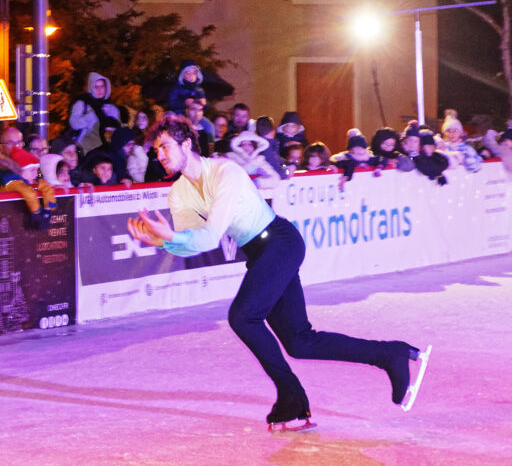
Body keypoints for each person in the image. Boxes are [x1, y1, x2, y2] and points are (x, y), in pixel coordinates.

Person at [126, 116, 427, 429]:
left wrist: (170, 237)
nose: (160, 154)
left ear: (186, 144)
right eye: (157, 149)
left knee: (243, 317)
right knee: (300, 343)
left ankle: (290, 395)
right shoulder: (179, 193)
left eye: (165, 146)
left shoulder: (225, 172)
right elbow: (194, 243)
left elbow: (210, 236)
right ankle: (390, 354)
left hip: (280, 242)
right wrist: (163, 242)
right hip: (261, 254)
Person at [68, 72, 121, 154]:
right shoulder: (82, 103)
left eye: (102, 86)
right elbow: (74, 124)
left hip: (106, 151)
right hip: (86, 150)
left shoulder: (112, 108)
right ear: (90, 88)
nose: (99, 89)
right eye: (96, 87)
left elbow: (118, 129)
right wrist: (91, 116)